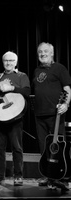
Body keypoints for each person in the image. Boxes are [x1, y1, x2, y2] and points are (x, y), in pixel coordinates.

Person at [0, 51, 30, 186]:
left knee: (16, 147)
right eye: (6, 60)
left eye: (11, 60)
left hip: (15, 116)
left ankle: (18, 176)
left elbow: (27, 92)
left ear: (15, 62)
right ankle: (0, 176)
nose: (8, 63)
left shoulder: (21, 76)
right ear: (3, 62)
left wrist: (11, 87)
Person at [32, 42, 71, 191]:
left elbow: (67, 89)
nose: (42, 54)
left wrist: (66, 104)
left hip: (56, 115)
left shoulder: (60, 68)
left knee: (59, 147)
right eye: (40, 52)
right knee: (44, 147)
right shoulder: (36, 71)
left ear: (52, 53)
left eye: (46, 51)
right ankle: (49, 175)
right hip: (39, 115)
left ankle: (63, 177)